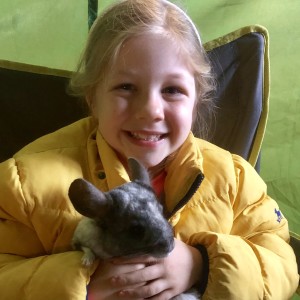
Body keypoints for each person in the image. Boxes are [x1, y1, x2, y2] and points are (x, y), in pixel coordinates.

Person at [0, 0, 298, 299]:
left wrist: (201, 264)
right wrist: (82, 283)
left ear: (196, 101)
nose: (150, 110)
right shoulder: (24, 183)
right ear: (93, 97)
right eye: (126, 87)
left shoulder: (234, 180)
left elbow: (280, 264)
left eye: (172, 90)